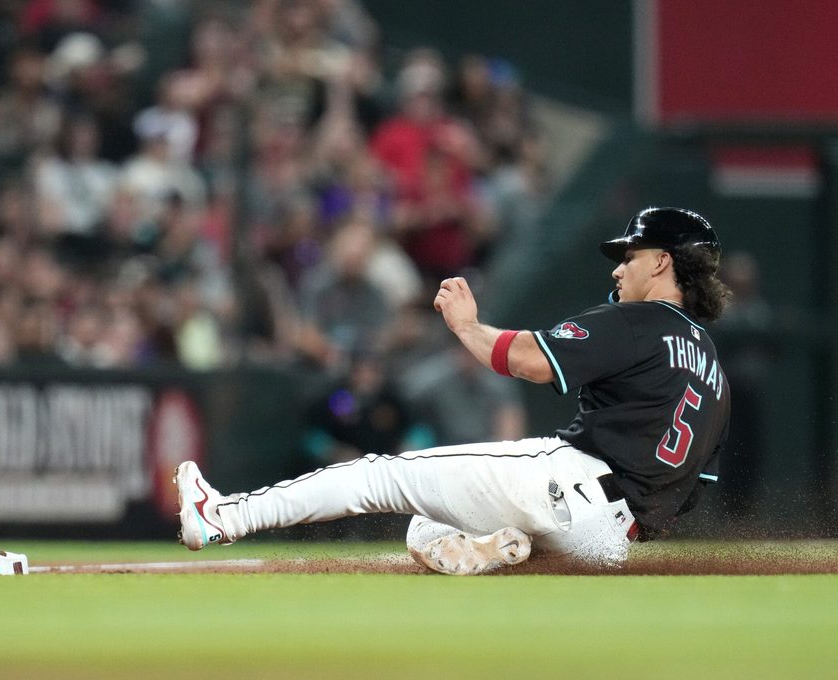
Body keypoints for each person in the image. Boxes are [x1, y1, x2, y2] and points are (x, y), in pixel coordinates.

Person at [178, 206, 732, 574]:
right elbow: (689, 493)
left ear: (661, 261)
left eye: (630, 258)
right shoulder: (714, 373)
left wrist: (467, 326)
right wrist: (609, 536)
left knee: (379, 475)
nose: (618, 272)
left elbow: (528, 360)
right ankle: (502, 551)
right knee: (430, 527)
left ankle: (225, 516)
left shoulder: (638, 322)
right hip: (613, 539)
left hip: (570, 481)